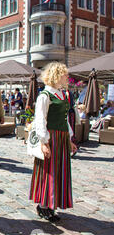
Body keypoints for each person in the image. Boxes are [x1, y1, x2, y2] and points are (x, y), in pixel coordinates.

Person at [31, 62, 77, 223]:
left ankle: (52, 204)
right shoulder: (45, 95)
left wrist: (70, 138)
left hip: (62, 137)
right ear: (57, 75)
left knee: (59, 171)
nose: (67, 77)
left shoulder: (62, 95)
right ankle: (44, 205)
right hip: (51, 137)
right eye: (65, 74)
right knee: (49, 171)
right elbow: (40, 120)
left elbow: (65, 119)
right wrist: (44, 142)